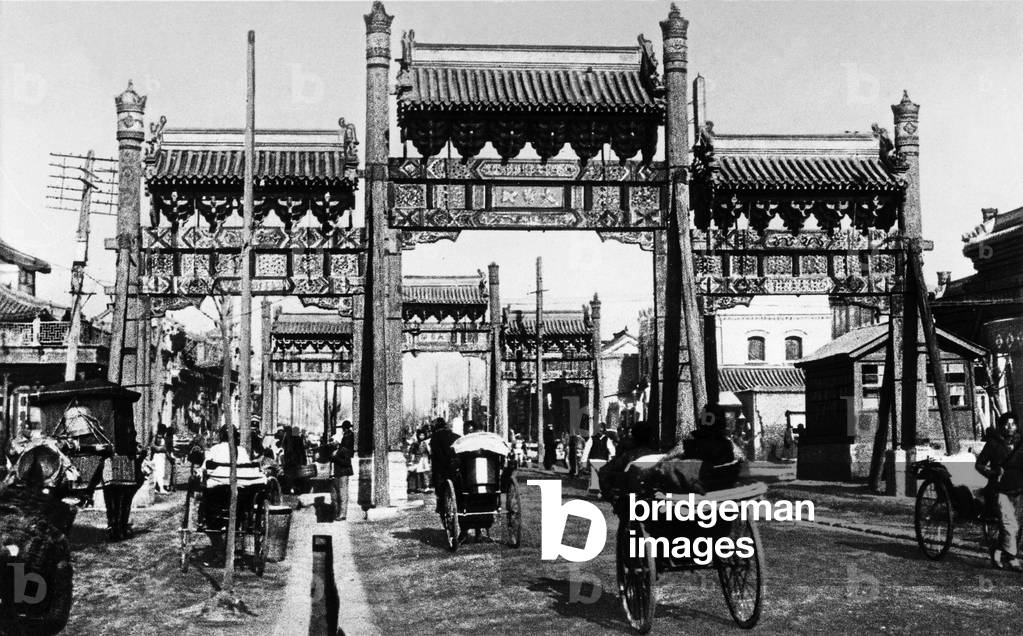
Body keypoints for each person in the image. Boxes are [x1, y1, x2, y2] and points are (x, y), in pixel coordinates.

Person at [975, 411, 1023, 571]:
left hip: (1017, 489)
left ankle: (997, 551)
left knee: (1010, 525)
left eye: (1013, 424)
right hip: (998, 490)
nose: (1010, 427)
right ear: (1001, 426)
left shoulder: (1019, 444)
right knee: (1011, 525)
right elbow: (980, 464)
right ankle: (1012, 558)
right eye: (1006, 424)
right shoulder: (993, 444)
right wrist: (993, 473)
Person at [430, 417, 460, 515]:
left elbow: (436, 454)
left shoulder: (434, 438)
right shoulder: (456, 436)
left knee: (440, 489)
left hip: (442, 469)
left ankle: (441, 504)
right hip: (455, 467)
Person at [330, 421, 355, 521]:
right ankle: (339, 513)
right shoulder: (339, 450)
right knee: (338, 494)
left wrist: (335, 458)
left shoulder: (344, 449)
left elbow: (346, 463)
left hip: (343, 472)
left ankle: (342, 514)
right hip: (339, 472)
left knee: (342, 494)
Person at [150, 424, 170, 494]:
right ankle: (160, 488)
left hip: (161, 456)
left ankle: (156, 487)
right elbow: (153, 446)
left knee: (158, 471)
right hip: (158, 456)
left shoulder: (161, 437)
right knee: (159, 472)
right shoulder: (157, 437)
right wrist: (160, 449)